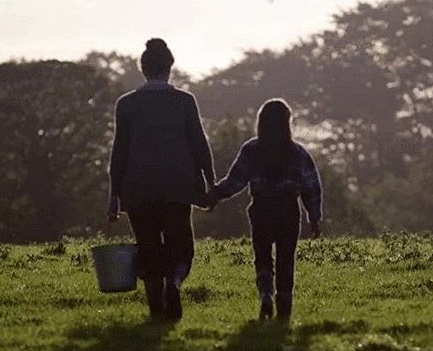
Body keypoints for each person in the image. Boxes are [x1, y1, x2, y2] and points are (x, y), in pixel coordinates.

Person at [107, 38, 215, 321]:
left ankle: (156, 300)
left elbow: (119, 152)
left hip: (138, 185)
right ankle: (174, 284)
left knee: (148, 244)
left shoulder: (126, 104)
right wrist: (209, 181)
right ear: (170, 67)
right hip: (178, 185)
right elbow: (199, 144)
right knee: (181, 245)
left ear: (143, 68)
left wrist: (114, 194)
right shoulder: (184, 101)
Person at [208, 99, 322, 320]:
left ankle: (266, 293)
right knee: (286, 258)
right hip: (289, 210)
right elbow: (311, 185)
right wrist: (314, 217)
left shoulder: (251, 149)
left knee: (262, 256)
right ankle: (285, 305)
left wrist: (214, 196)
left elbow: (235, 181)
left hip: (261, 209)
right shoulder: (298, 153)